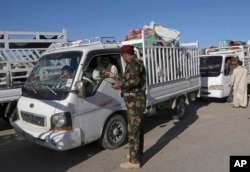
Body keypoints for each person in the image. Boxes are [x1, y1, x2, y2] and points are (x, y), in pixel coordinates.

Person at [105, 45, 146, 169]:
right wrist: (114, 76)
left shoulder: (133, 64)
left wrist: (120, 86)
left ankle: (134, 162)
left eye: (122, 55)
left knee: (133, 130)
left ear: (125, 54)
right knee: (138, 128)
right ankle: (137, 154)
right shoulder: (135, 63)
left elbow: (134, 82)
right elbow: (129, 78)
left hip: (135, 101)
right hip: (136, 101)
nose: (122, 57)